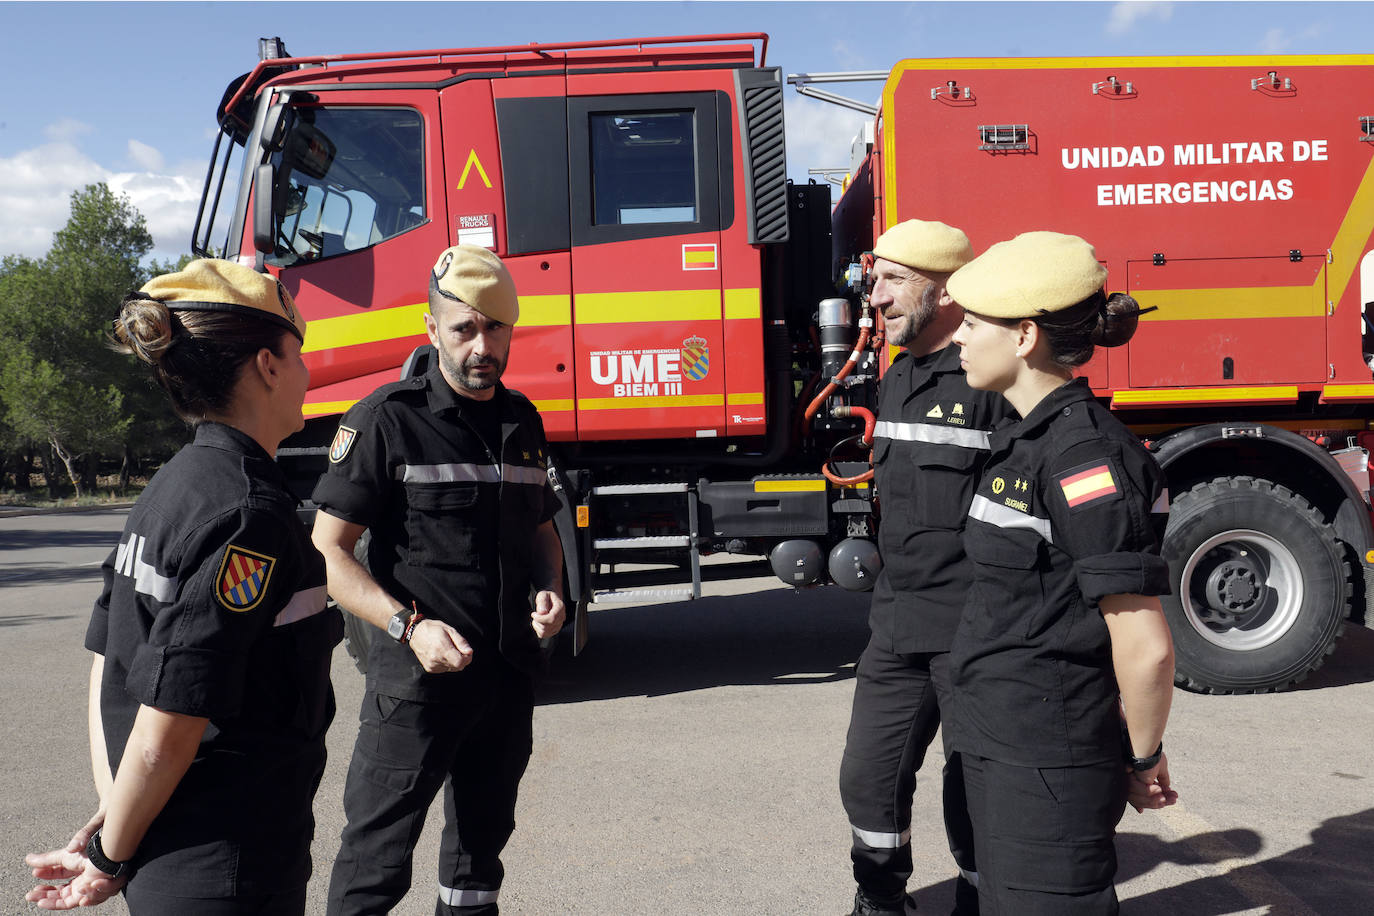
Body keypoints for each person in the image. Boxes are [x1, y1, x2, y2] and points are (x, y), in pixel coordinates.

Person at [25, 259, 342, 914]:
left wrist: (114, 821)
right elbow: (171, 724)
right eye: (299, 353)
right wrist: (109, 853)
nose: (310, 374)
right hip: (226, 871)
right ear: (268, 365)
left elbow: (107, 660)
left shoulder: (170, 488)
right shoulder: (249, 514)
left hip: (171, 858)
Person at [314, 244, 566, 916]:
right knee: (376, 860)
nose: (481, 345)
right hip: (417, 685)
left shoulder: (523, 423)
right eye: (464, 329)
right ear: (432, 331)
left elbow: (543, 528)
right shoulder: (386, 419)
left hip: (506, 678)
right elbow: (330, 553)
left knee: (479, 857)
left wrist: (552, 590)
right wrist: (409, 628)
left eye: (496, 328)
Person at [944, 231, 1178, 914]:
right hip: (992, 743)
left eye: (973, 323)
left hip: (1046, 767)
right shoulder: (1025, 437)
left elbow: (1145, 644)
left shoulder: (1084, 457)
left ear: (1023, 337)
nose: (959, 336)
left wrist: (1140, 758)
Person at [839, 220, 1011, 916]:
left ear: (942, 290)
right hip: (898, 623)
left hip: (973, 631)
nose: (872, 294)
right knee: (868, 776)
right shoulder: (899, 374)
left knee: (971, 787)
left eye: (890, 279)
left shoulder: (989, 376)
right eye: (872, 278)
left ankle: (979, 899)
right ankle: (881, 898)